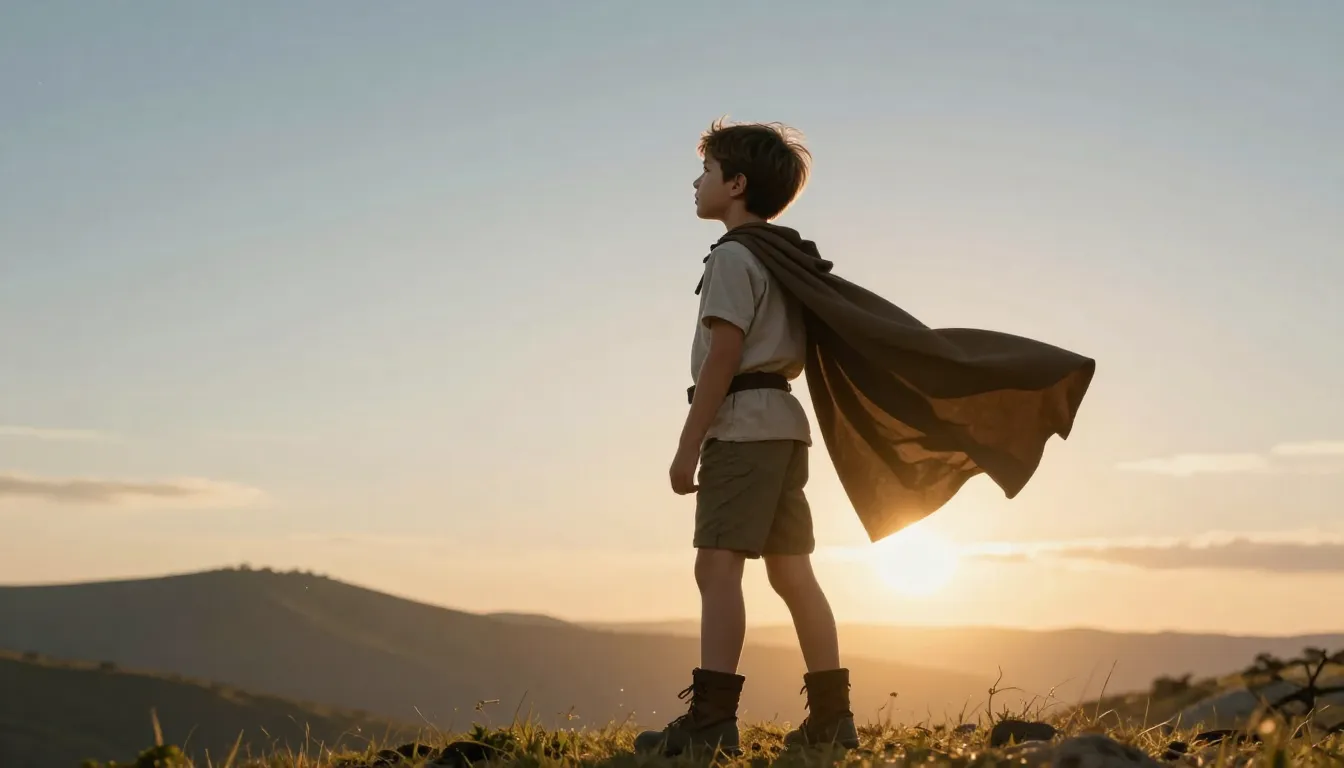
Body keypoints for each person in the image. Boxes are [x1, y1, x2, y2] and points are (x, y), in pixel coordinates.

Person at [634, 119, 857, 757]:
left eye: (706, 172)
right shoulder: (783, 257)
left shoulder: (733, 257)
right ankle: (832, 720)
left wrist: (687, 445)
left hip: (742, 426)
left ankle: (711, 723)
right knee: (792, 572)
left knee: (716, 566)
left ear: (735, 184)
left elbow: (723, 356)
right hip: (784, 426)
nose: (696, 182)